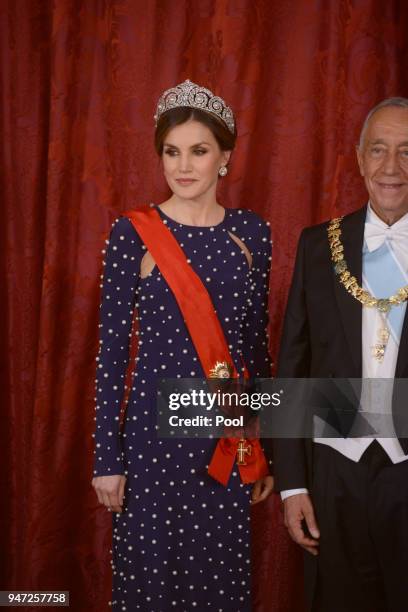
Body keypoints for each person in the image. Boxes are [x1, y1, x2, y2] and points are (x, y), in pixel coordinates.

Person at [91, 79, 274, 611]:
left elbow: (254, 347)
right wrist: (107, 457)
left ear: (225, 158)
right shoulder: (133, 233)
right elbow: (109, 353)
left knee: (218, 589)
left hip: (224, 443)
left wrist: (266, 447)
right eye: (172, 152)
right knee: (150, 586)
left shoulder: (251, 233)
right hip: (150, 447)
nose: (183, 166)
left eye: (199, 151)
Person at [273, 97, 408, 612]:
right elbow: (292, 371)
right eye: (378, 150)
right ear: (359, 158)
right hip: (334, 476)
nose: (391, 167)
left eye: (405, 151)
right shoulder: (317, 246)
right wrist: (292, 487)